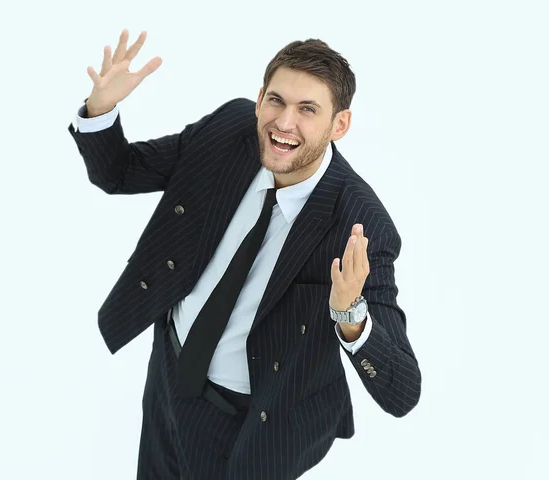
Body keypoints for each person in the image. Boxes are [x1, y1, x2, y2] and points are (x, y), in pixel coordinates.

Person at [67, 29, 421, 480]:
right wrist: (100, 110)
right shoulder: (230, 132)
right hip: (170, 373)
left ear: (340, 125)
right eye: (276, 100)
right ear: (258, 99)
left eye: (307, 109)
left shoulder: (360, 225)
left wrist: (350, 316)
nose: (284, 123)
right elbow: (119, 172)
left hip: (253, 426)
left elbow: (402, 392)